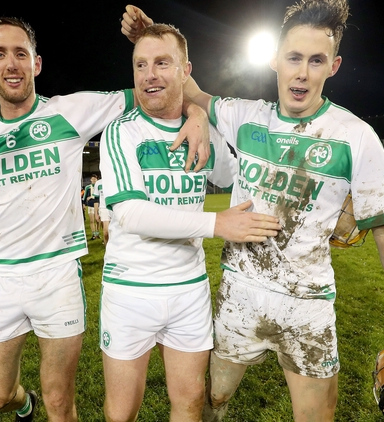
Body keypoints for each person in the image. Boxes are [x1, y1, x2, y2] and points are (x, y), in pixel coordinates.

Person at [0, 16, 210, 422]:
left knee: (60, 403)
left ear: (36, 64)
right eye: (0, 54)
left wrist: (196, 114)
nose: (12, 63)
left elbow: (159, 91)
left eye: (21, 54)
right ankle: (22, 405)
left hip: (57, 277)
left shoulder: (71, 112)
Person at [120, 0, 384, 422]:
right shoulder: (246, 116)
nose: (302, 72)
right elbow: (188, 88)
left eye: (317, 60)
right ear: (275, 61)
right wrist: (156, 39)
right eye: (294, 57)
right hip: (239, 297)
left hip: (308, 307)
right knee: (213, 401)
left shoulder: (356, 137)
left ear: (334, 66)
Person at [99, 23, 281, 421]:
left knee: (189, 402)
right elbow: (130, 214)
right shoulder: (121, 132)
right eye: (141, 64)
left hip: (188, 290)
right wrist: (216, 224)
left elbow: (240, 180)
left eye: (163, 63)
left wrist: (310, 194)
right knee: (121, 412)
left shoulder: (205, 132)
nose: (150, 74)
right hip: (131, 291)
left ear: (185, 70)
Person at [83, 174, 101, 240]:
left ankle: (97, 233)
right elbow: (84, 196)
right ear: (90, 180)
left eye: (95, 179)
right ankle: (94, 234)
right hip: (90, 205)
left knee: (98, 220)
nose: (93, 180)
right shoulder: (88, 187)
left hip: (98, 205)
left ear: (97, 180)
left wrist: (91, 196)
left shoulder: (99, 186)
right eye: (92, 179)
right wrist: (83, 204)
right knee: (91, 221)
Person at [95, 178, 110, 244]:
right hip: (104, 209)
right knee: (106, 232)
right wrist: (96, 213)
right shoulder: (98, 183)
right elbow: (96, 200)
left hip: (114, 208)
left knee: (115, 232)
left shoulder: (114, 179)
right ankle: (107, 249)